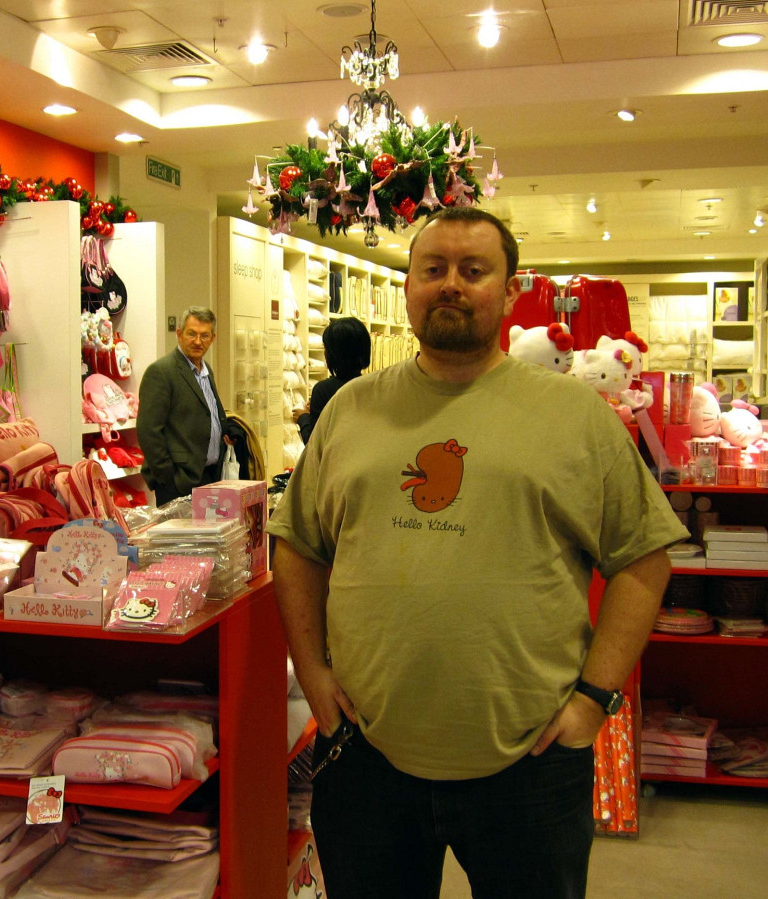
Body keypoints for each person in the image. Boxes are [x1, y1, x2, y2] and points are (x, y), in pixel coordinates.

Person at [267, 207, 687, 899]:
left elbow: (643, 558)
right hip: (367, 756)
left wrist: (593, 700)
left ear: (511, 290)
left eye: (473, 270)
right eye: (433, 269)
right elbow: (298, 545)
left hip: (531, 762)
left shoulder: (575, 415)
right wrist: (313, 673)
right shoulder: (350, 409)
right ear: (409, 286)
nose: (451, 285)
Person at [137, 306, 238, 506]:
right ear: (179, 334)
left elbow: (207, 413)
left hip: (209, 477)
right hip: (179, 482)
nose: (198, 341)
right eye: (192, 334)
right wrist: (168, 477)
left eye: (204, 335)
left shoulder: (206, 371)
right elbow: (148, 431)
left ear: (213, 338)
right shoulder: (161, 372)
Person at [296, 316, 371, 445]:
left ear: (334, 353)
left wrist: (303, 418)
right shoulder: (372, 386)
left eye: (325, 348)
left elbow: (315, 444)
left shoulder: (324, 390)